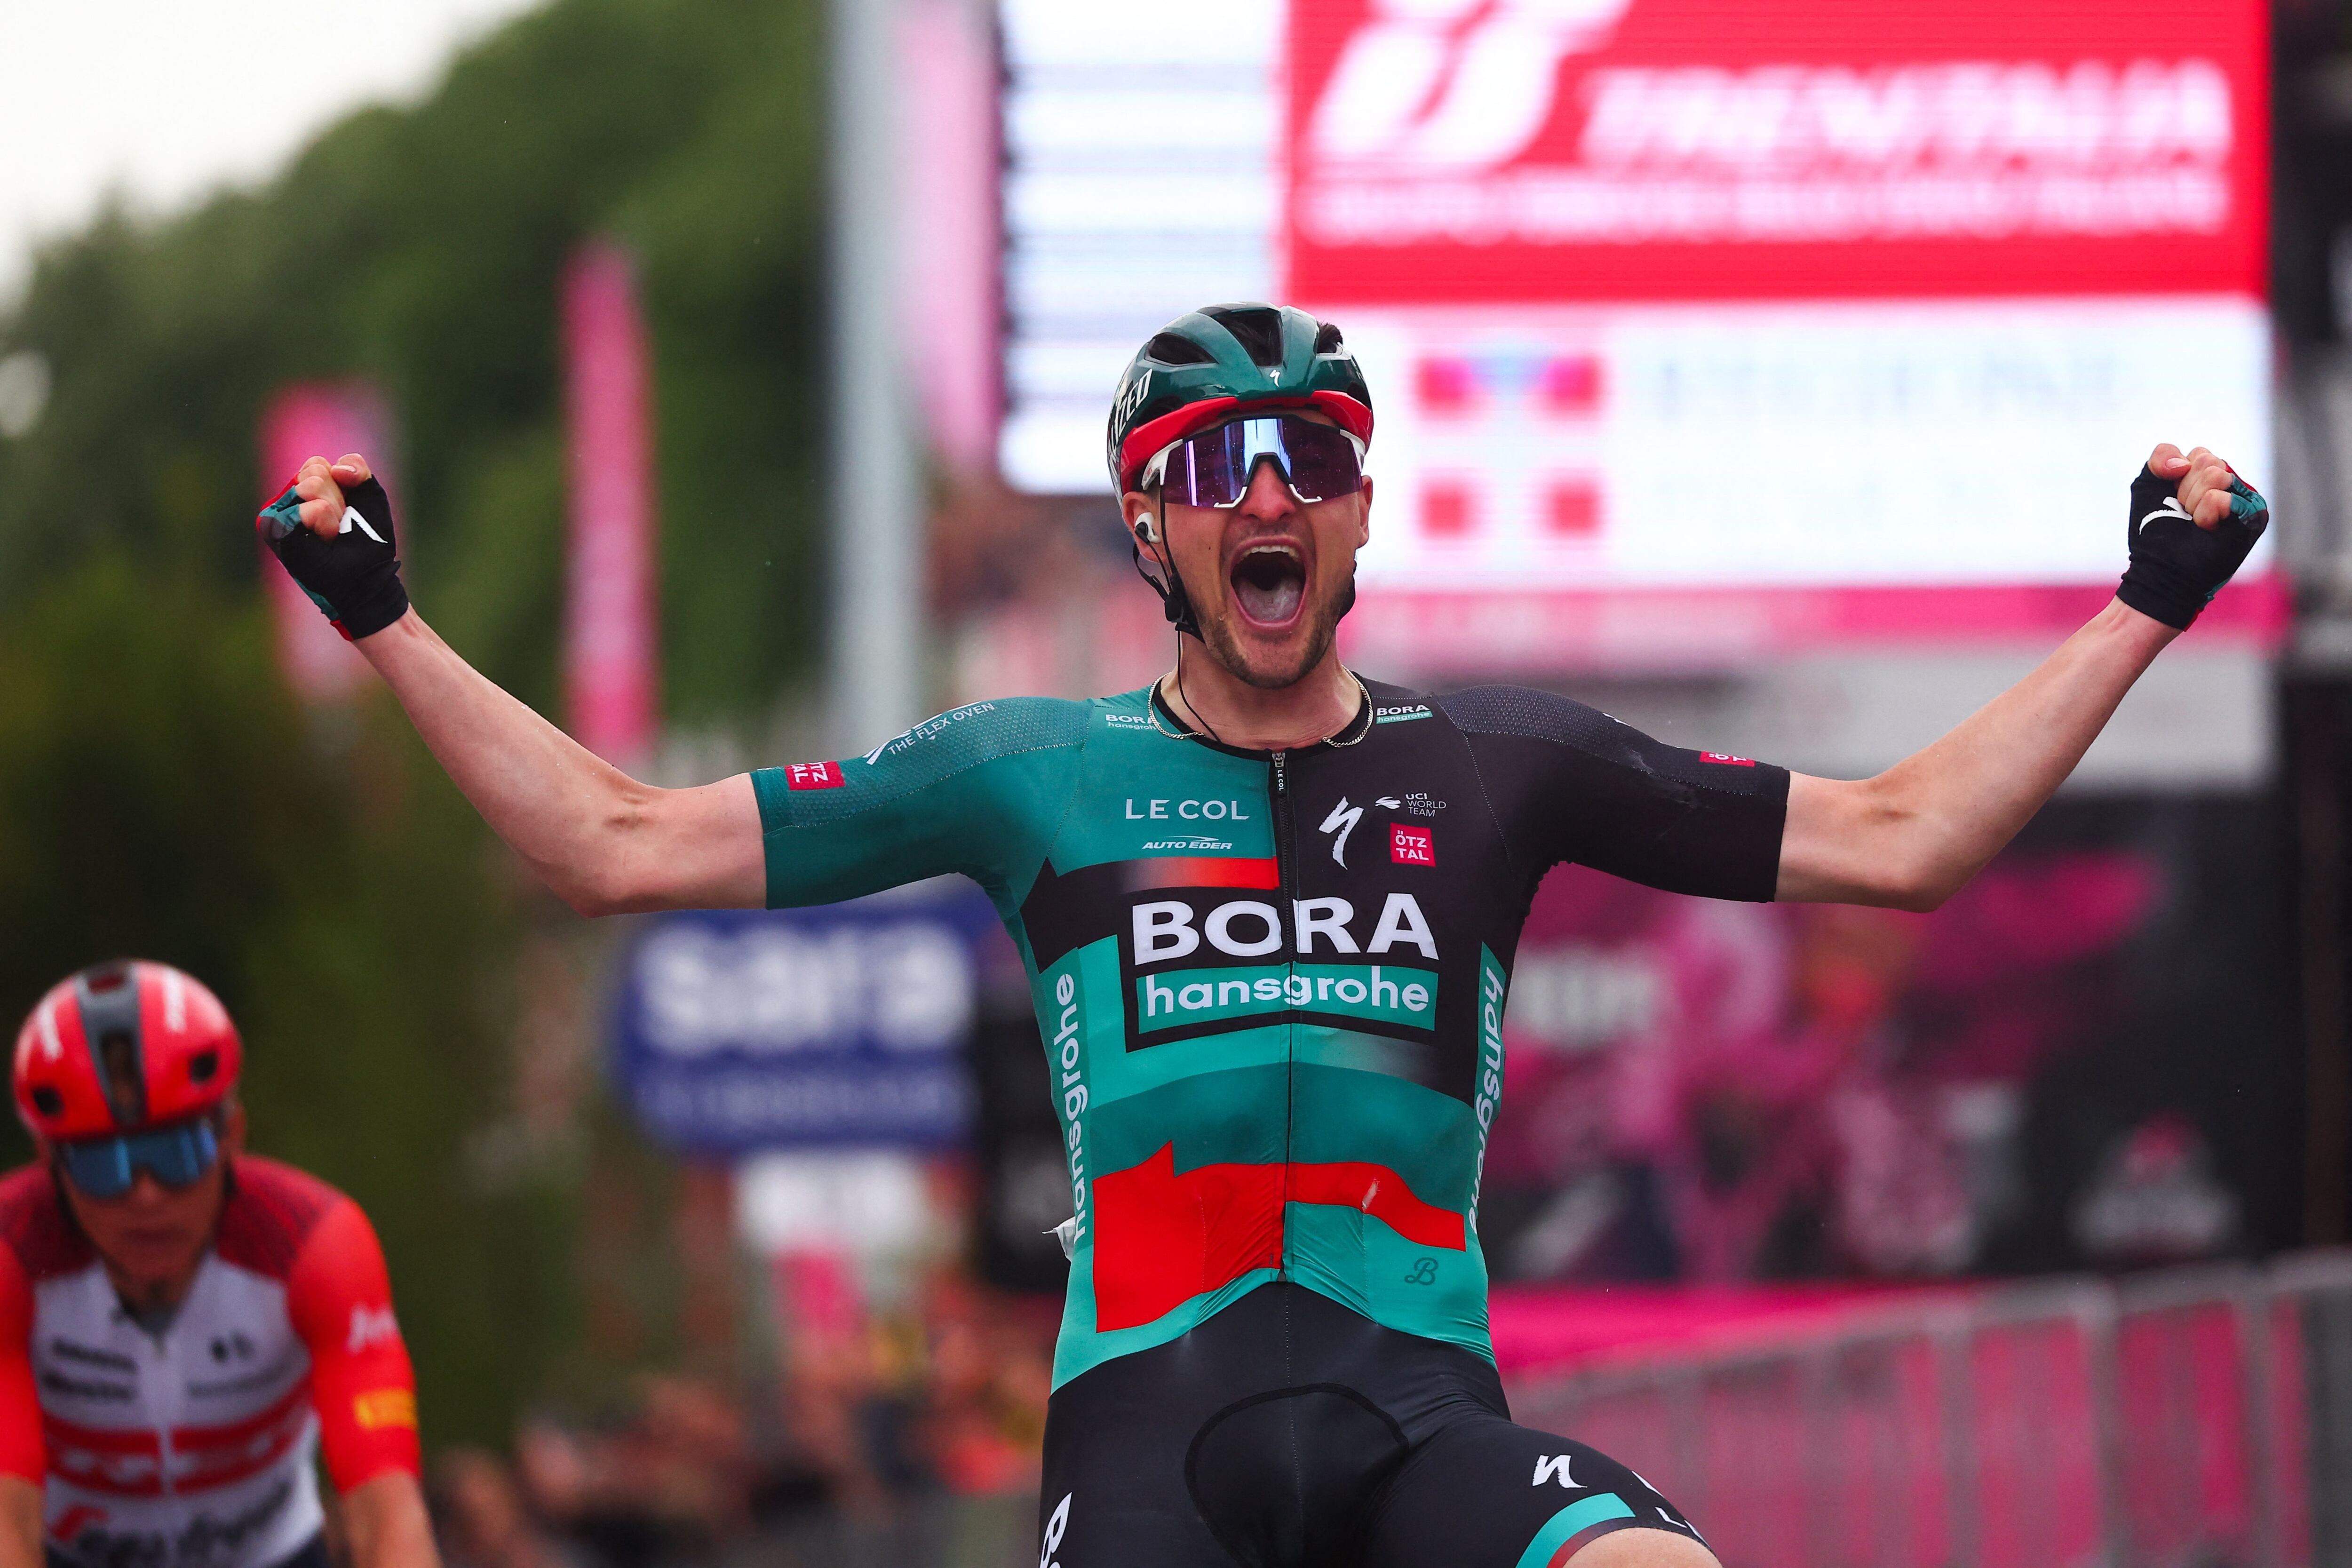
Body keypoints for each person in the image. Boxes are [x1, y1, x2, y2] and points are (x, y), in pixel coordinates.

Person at [256, 302, 2266, 1568]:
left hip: (1423, 1425)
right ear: (1151, 530)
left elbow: (1905, 837)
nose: (1268, 492)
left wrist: (2150, 599)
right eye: (1214, 468)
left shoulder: (1500, 762)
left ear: (1361, 513)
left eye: (1312, 457)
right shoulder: (1030, 770)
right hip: (1152, 1437)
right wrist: (382, 618)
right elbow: (611, 844)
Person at [1, 962, 438, 1568]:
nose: (146, 1196)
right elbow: (7, 1519)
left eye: (177, 1153)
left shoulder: (314, 1245)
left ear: (231, 1135)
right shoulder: (13, 1253)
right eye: (105, 1165)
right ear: (50, 1161)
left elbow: (387, 1510)